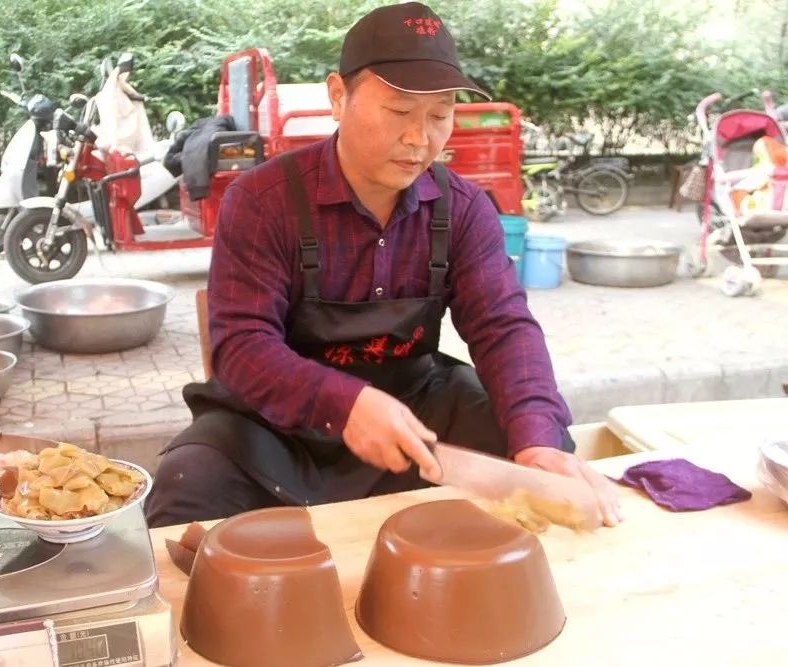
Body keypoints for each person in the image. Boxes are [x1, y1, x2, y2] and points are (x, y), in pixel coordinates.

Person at [144, 1, 621, 528]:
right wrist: (345, 404)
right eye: (398, 112)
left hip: (413, 414)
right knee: (187, 488)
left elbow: (503, 328)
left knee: (544, 464)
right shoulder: (262, 200)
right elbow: (241, 346)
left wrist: (536, 440)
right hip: (274, 426)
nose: (420, 138)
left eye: (439, 116)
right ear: (338, 96)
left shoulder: (463, 208)